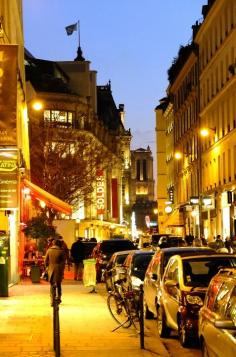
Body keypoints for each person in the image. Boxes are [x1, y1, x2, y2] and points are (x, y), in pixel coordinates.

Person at [44, 238, 66, 306]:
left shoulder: (49, 250)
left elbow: (45, 261)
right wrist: (62, 270)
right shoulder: (61, 251)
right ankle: (58, 298)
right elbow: (63, 262)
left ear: (53, 243)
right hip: (58, 269)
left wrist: (47, 267)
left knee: (51, 285)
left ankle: (52, 300)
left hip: (51, 269)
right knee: (58, 284)